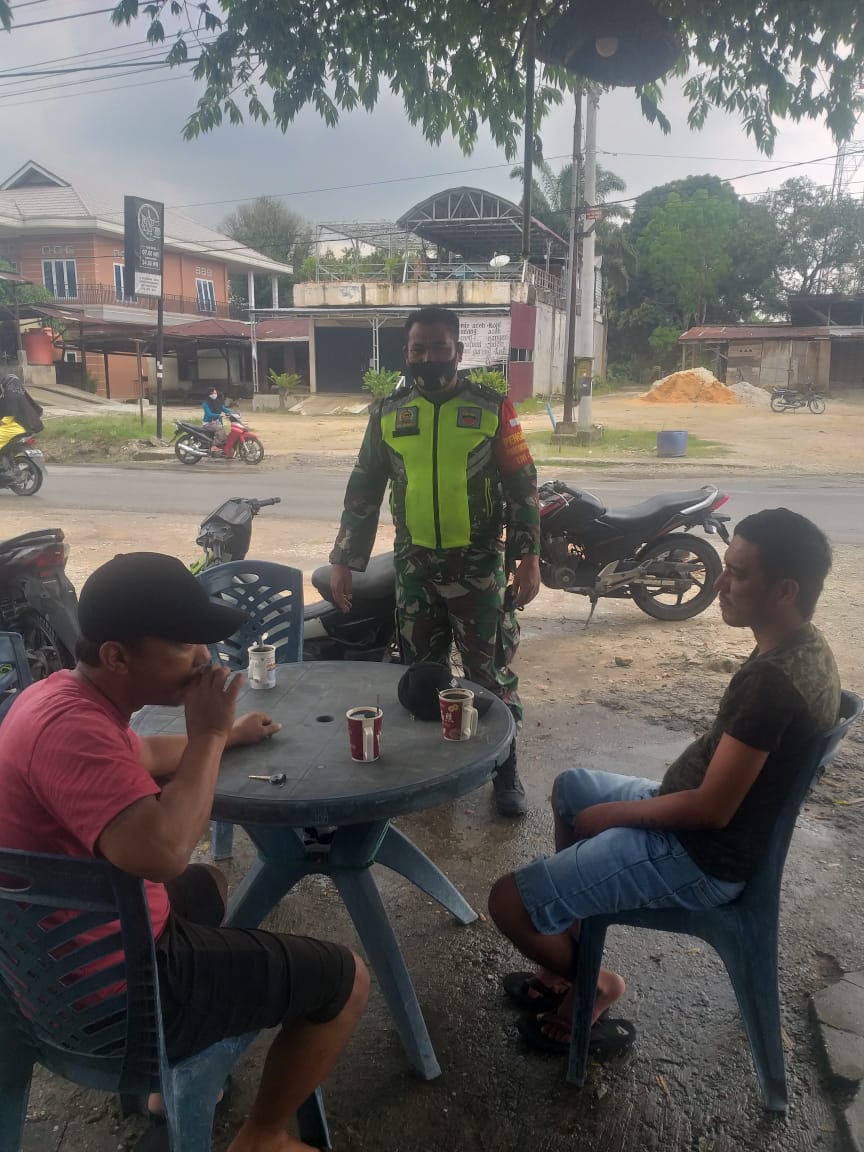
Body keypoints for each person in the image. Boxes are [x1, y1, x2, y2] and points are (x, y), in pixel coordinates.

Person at [0, 552, 369, 1152]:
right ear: (117, 656)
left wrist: (231, 736)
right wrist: (209, 735)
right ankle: (261, 1136)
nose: (205, 658)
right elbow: (164, 849)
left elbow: (142, 756)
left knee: (209, 887)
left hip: (43, 962)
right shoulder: (74, 733)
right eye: (184, 645)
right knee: (346, 979)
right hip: (107, 994)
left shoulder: (60, 696)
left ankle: (161, 1089)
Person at [488, 509, 840, 1057]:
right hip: (692, 818)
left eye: (738, 573)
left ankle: (596, 983)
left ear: (784, 591)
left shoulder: (773, 684)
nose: (719, 584)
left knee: (509, 901)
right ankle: (568, 959)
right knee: (571, 788)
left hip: (700, 855)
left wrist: (613, 817)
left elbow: (711, 810)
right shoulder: (802, 645)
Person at [329, 306, 541, 817]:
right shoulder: (388, 413)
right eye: (418, 349)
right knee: (422, 677)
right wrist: (344, 559)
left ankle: (505, 769)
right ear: (406, 353)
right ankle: (432, 770)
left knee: (489, 674)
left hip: (478, 566)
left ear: (458, 351)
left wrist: (528, 556)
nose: (428, 358)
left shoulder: (491, 407)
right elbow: (364, 488)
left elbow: (522, 486)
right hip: (415, 568)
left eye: (439, 348)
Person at [0, 370, 41, 456]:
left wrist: (2, 422)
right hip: (29, 428)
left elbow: (6, 418)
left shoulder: (10, 398)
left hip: (17, 428)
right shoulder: (22, 397)